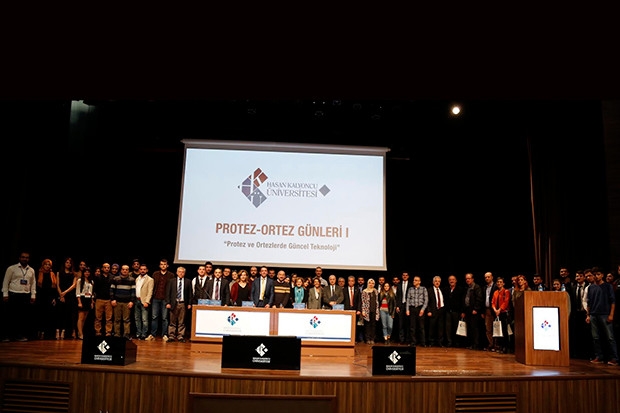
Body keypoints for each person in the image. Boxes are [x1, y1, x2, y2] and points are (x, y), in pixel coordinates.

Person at [2, 252, 36, 342]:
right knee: (10, 316)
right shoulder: (12, 268)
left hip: (25, 295)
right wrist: (5, 294)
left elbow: (33, 283)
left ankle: (19, 335)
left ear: (29, 259)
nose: (25, 259)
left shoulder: (31, 270)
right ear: (19, 258)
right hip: (13, 294)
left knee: (22, 317)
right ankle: (7, 335)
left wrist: (33, 295)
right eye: (23, 257)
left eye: (27, 257)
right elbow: (6, 281)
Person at [587, 267, 618, 365]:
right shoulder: (591, 287)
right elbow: (589, 302)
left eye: (598, 274)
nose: (596, 276)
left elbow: (612, 301)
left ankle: (614, 358)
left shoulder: (608, 286)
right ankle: (599, 356)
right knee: (595, 337)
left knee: (610, 337)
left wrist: (611, 314)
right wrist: (588, 315)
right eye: (594, 275)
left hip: (605, 314)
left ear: (602, 275)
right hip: (593, 314)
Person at [165, 266, 192, 342]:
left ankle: (180, 336)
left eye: (182, 272)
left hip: (183, 303)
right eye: (179, 272)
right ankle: (171, 336)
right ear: (176, 273)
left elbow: (190, 293)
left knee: (181, 321)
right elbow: (168, 292)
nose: (181, 273)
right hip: (173, 303)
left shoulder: (188, 281)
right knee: (172, 321)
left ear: (184, 273)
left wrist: (189, 303)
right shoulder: (171, 281)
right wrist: (168, 302)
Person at [149, 258, 174, 341]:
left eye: (165, 264)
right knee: (154, 317)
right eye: (162, 264)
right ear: (159, 266)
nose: (163, 266)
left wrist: (169, 300)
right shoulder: (155, 274)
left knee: (164, 318)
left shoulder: (171, 275)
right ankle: (153, 334)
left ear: (167, 265)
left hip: (165, 299)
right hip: (155, 298)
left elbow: (171, 288)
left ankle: (164, 334)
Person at [35, 258, 59, 340]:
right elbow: (37, 287)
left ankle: (48, 334)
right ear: (43, 265)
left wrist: (54, 298)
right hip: (40, 297)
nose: (47, 266)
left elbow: (54, 287)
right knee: (40, 315)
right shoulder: (39, 273)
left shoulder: (52, 274)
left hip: (50, 297)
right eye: (46, 264)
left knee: (49, 316)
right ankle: (39, 333)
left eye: (49, 265)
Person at [110, 264, 136, 340]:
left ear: (128, 271)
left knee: (126, 320)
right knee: (117, 319)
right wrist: (112, 299)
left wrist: (131, 301)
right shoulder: (116, 279)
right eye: (123, 269)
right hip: (117, 302)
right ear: (121, 270)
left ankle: (126, 335)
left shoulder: (132, 280)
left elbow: (133, 291)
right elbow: (111, 290)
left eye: (126, 269)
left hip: (127, 302)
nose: (125, 271)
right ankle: (117, 334)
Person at [570, 269, 591, 359]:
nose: (578, 278)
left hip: (585, 313)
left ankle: (587, 353)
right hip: (576, 314)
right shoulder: (573, 287)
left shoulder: (588, 287)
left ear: (584, 277)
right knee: (577, 333)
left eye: (580, 276)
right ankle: (577, 353)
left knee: (586, 334)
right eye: (577, 276)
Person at [56, 257, 78, 340]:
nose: (68, 264)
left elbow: (74, 285)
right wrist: (61, 295)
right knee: (59, 313)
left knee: (66, 314)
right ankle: (57, 331)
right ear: (64, 263)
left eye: (70, 263)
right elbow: (57, 284)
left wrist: (65, 292)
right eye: (67, 262)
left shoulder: (73, 274)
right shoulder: (59, 273)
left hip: (69, 295)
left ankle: (63, 331)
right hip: (60, 294)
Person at [462, 272, 483, 350]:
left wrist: (476, 309)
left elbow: (479, 299)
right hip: (468, 310)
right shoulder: (467, 288)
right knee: (469, 328)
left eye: (469, 278)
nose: (467, 280)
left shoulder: (476, 287)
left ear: (472, 279)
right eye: (466, 279)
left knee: (474, 328)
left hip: (474, 310)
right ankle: (470, 343)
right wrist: (464, 311)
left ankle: (476, 344)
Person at [406, 275, 428, 347]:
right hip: (412, 309)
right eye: (414, 280)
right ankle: (413, 342)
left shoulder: (423, 289)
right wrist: (407, 309)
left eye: (416, 280)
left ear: (419, 282)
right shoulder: (410, 289)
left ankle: (423, 342)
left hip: (420, 308)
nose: (414, 281)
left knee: (421, 327)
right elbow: (408, 300)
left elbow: (426, 300)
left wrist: (423, 309)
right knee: (412, 327)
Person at [93, 263, 113, 337]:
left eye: (108, 267)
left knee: (109, 318)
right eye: (105, 267)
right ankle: (98, 331)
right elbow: (94, 289)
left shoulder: (112, 277)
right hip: (99, 299)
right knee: (98, 317)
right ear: (102, 268)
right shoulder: (98, 277)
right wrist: (94, 299)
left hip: (108, 300)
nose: (107, 269)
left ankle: (108, 331)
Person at [134, 264, 154, 340]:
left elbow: (150, 291)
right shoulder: (137, 278)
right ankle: (138, 333)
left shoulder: (150, 279)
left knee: (144, 319)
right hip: (137, 300)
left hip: (144, 301)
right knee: (137, 318)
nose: (142, 271)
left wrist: (147, 301)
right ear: (139, 270)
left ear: (147, 270)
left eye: (144, 269)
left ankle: (144, 334)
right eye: (141, 269)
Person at [445, 274, 465, 348]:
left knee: (456, 327)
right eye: (450, 280)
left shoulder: (460, 289)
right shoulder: (446, 289)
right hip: (448, 312)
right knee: (448, 328)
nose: (451, 281)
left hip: (457, 312)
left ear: (456, 281)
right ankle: (449, 342)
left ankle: (457, 342)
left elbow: (463, 301)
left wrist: (463, 311)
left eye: (453, 279)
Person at [491, 277, 510, 353]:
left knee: (504, 330)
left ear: (503, 283)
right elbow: (492, 302)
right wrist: (495, 310)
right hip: (496, 313)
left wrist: (500, 309)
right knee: (498, 330)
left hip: (503, 313)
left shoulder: (506, 291)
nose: (499, 283)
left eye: (500, 282)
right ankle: (499, 346)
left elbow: (506, 302)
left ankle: (505, 347)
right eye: (498, 282)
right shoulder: (495, 292)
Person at [426, 275, 446, 347]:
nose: (437, 283)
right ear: (433, 282)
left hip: (441, 311)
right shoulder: (429, 290)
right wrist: (428, 311)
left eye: (439, 281)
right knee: (432, 327)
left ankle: (440, 342)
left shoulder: (442, 290)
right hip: (433, 311)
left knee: (440, 328)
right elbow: (427, 302)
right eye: (436, 281)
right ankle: (431, 342)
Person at [76, 267, 95, 340]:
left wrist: (92, 302)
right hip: (82, 298)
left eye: (88, 272)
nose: (87, 273)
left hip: (88, 299)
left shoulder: (91, 281)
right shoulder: (80, 280)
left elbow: (91, 292)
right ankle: (80, 334)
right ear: (83, 273)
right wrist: (79, 302)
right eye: (85, 272)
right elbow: (78, 292)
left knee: (84, 318)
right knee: (80, 318)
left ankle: (80, 332)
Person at [482, 272, 498, 351]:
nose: (487, 278)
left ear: (492, 277)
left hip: (494, 310)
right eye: (486, 277)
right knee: (488, 328)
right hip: (487, 310)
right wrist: (482, 311)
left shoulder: (496, 286)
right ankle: (491, 344)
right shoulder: (485, 287)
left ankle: (496, 345)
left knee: (496, 328)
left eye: (488, 277)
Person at [361, 278, 379, 345]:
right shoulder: (364, 291)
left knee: (373, 325)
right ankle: (367, 339)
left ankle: (372, 339)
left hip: (374, 310)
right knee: (367, 325)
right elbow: (363, 301)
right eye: (370, 283)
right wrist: (363, 310)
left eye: (372, 283)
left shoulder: (376, 291)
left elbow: (377, 301)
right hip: (367, 310)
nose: (371, 284)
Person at [396, 272, 412, 344]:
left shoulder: (411, 285)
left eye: (406, 275)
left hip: (408, 306)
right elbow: (397, 296)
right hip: (401, 305)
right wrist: (397, 306)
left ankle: (408, 340)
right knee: (401, 324)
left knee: (408, 324)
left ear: (408, 276)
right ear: (402, 276)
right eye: (403, 275)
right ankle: (401, 340)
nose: (405, 276)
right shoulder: (399, 285)